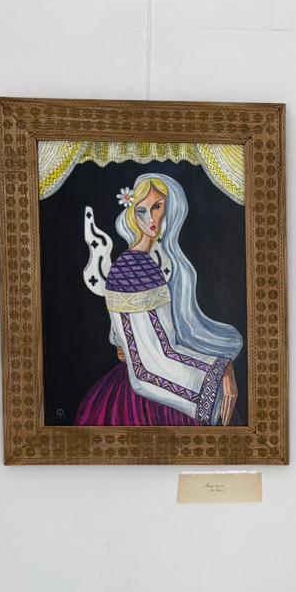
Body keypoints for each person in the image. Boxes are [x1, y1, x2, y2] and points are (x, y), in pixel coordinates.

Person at [75, 173, 242, 426]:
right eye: (142, 210)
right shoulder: (132, 266)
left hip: (171, 374)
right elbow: (148, 363)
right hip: (152, 391)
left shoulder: (156, 260)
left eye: (157, 206)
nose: (150, 218)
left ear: (170, 207)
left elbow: (128, 342)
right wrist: (221, 370)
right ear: (132, 214)